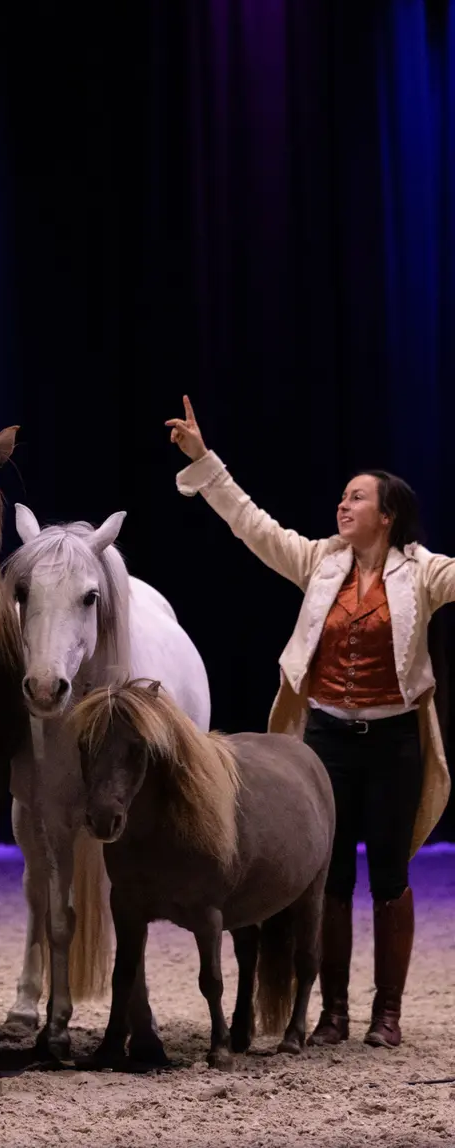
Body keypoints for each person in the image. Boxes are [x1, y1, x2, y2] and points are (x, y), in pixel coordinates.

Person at [166, 397, 453, 1049]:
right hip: (325, 741)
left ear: (387, 514)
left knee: (389, 877)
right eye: (342, 497)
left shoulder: (424, 571)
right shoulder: (321, 561)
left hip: (394, 742)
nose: (342, 506)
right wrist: (204, 460)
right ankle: (333, 1013)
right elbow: (251, 523)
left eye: (356, 498)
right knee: (330, 880)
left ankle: (387, 1014)